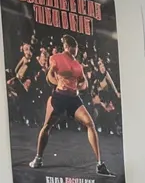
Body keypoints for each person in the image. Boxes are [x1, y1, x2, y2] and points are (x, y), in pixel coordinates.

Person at [29, 34, 111, 174]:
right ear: (66, 46)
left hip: (73, 99)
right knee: (47, 126)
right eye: (73, 47)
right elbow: (50, 77)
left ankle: (99, 164)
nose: (75, 50)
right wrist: (58, 82)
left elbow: (84, 82)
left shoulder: (77, 65)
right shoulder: (55, 58)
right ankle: (38, 158)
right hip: (59, 97)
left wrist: (78, 87)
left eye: (76, 48)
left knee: (90, 123)